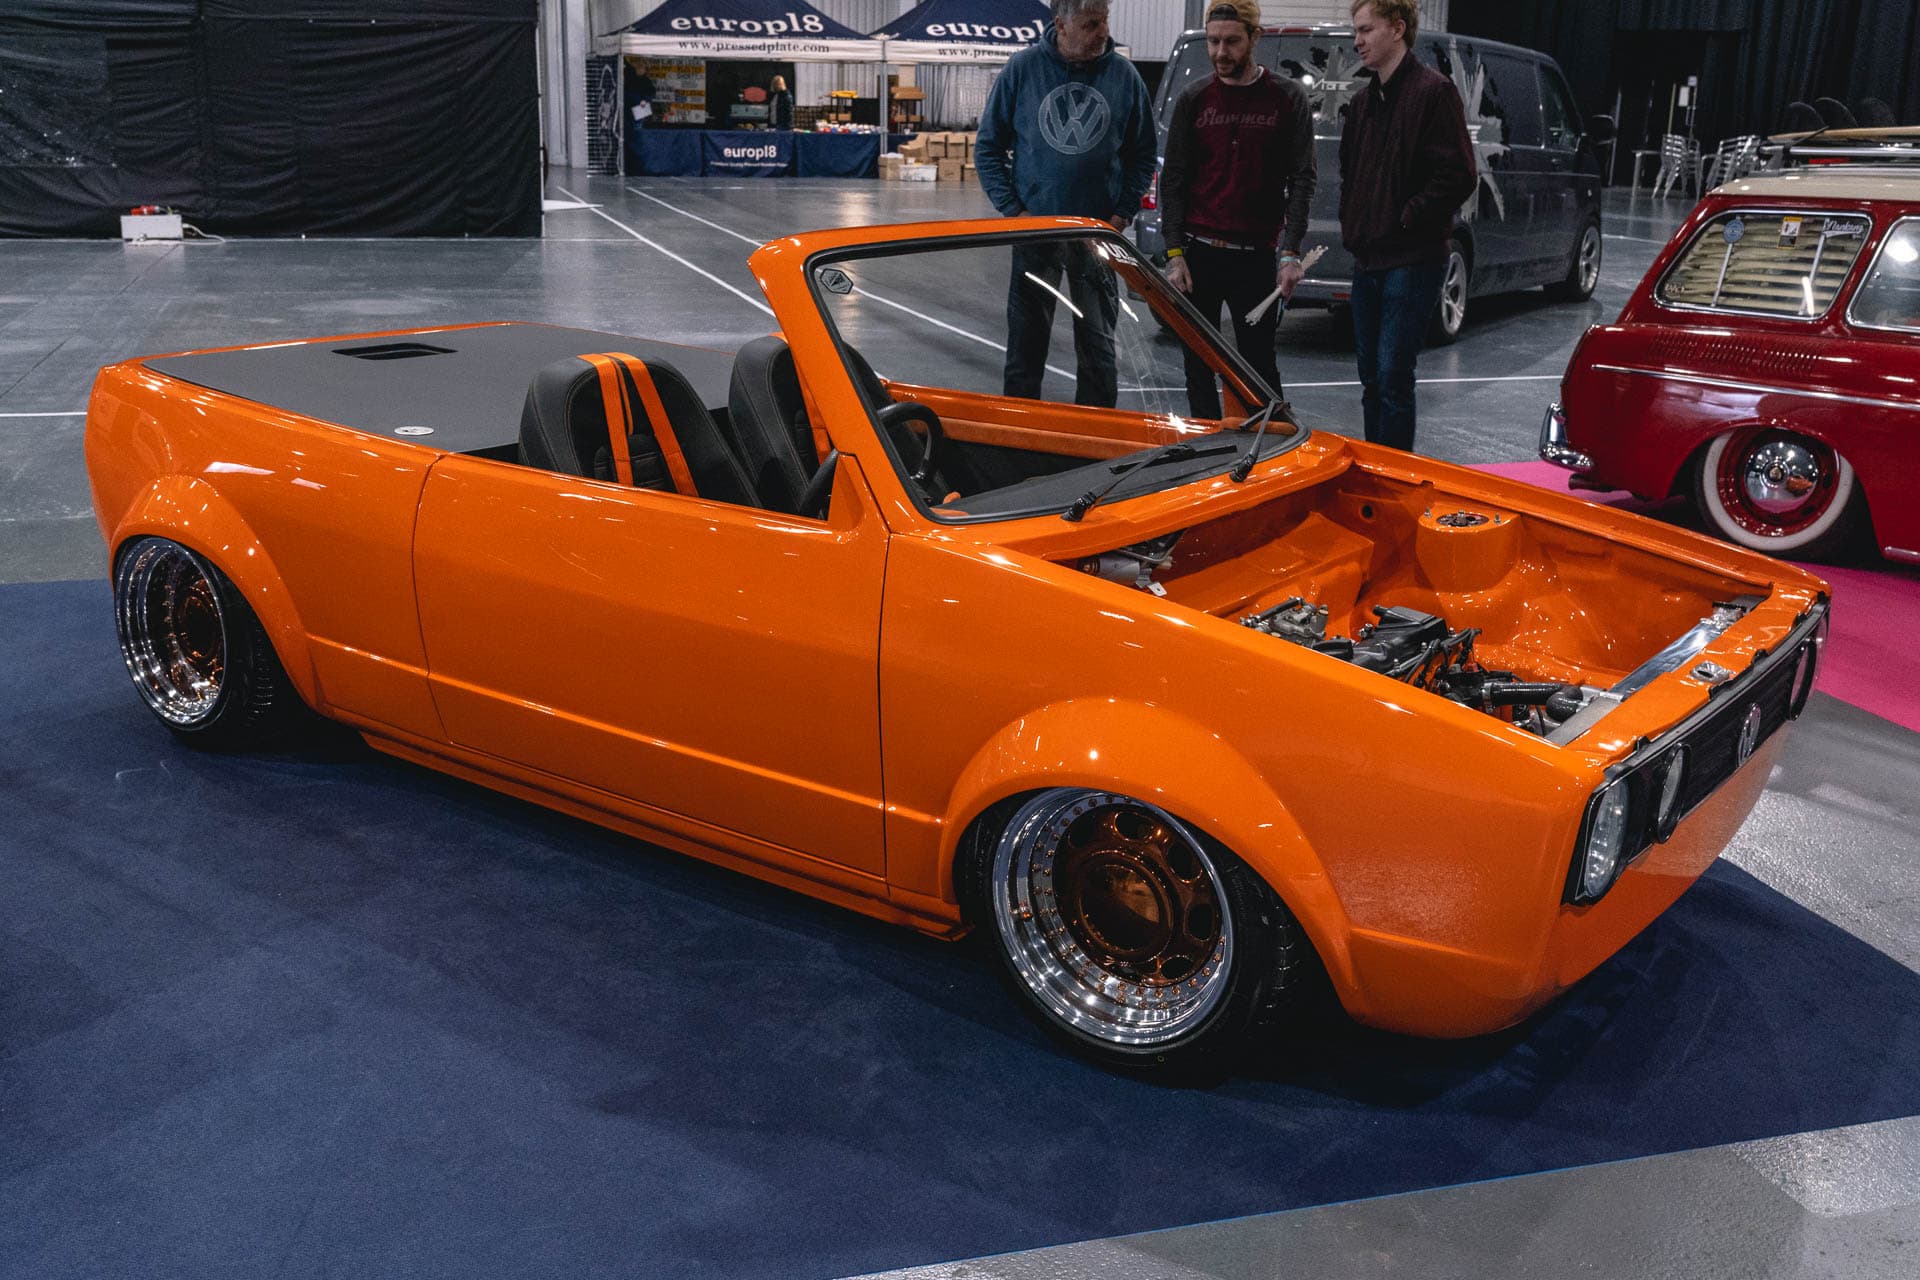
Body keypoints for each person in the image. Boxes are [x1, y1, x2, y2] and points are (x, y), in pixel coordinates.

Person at [974, 0, 1156, 408]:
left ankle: (1095, 432)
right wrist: (1016, 213)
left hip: (1097, 238)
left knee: (1098, 349)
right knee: (1025, 348)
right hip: (1036, 236)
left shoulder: (1124, 76)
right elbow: (987, 149)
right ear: (1061, 25)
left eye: (1104, 21)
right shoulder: (1022, 70)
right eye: (1091, 24)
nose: (1103, 32)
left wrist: (1121, 214)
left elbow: (1143, 154)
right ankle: (1022, 429)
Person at [1159, 0, 1316, 420]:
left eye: (1231, 41)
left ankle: (1273, 448)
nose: (1220, 52)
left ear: (1254, 37)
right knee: (1198, 366)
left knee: (1259, 369)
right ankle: (1207, 450)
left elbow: (1302, 179)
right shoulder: (1193, 99)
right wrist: (1174, 254)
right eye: (1213, 42)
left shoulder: (1286, 98)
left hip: (1255, 259)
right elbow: (1173, 180)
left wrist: (1290, 252)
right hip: (1197, 256)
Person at [1339, 0, 1475, 451]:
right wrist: (1355, 221)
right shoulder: (1362, 103)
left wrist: (1407, 217)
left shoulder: (1434, 93)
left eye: (1366, 30)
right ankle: (1377, 472)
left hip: (1412, 259)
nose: (1357, 41)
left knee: (1393, 377)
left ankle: (1394, 476)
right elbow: (1350, 173)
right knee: (1371, 379)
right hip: (1368, 259)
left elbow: (1459, 175)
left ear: (1397, 29)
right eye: (1356, 31)